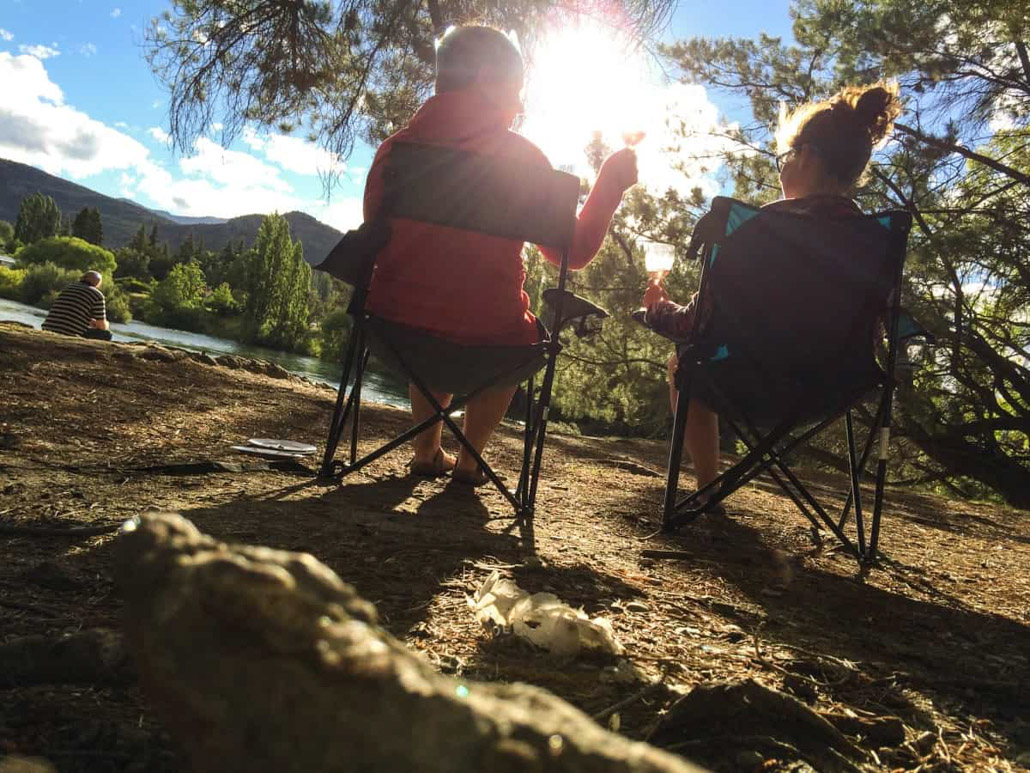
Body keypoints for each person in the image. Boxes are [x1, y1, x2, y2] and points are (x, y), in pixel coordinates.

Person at [363, 25, 638, 484]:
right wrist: (609, 182)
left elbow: (374, 236)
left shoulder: (393, 152)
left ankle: (426, 451)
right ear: (486, 79)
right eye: (516, 91)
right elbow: (573, 253)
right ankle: (470, 463)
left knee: (427, 305)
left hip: (394, 331)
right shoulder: (521, 159)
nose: (520, 105)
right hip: (492, 346)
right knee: (512, 328)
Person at [642, 82, 902, 503]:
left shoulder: (754, 229)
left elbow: (695, 324)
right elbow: (881, 328)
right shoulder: (877, 242)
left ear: (808, 156)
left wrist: (656, 309)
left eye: (784, 157)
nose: (780, 168)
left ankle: (707, 489)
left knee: (682, 364)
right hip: (836, 387)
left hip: (749, 382)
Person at [42, 270, 112, 341]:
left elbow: (68, 312)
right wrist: (106, 324)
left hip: (48, 327)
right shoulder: (97, 295)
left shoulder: (68, 288)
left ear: (82, 278)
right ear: (97, 284)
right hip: (70, 332)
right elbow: (102, 326)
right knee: (106, 334)